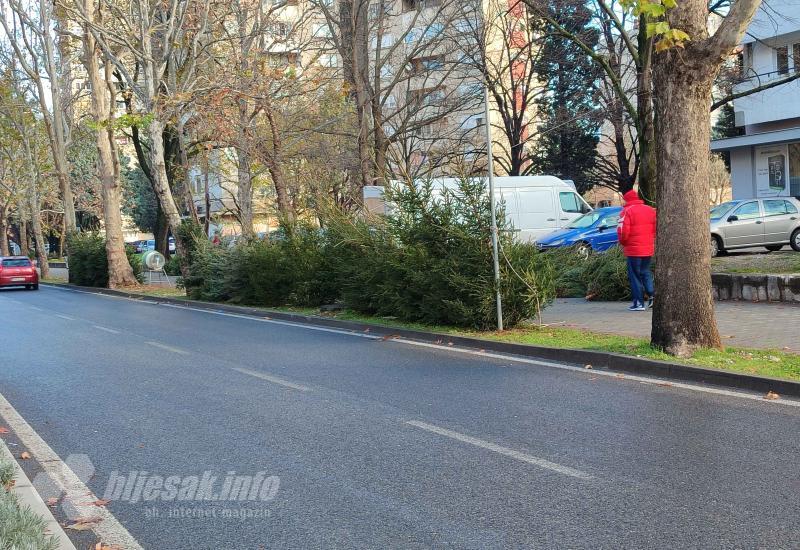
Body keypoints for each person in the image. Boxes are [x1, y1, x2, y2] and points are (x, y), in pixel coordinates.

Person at [617, 189, 656, 311]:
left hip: (633, 250)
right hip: (648, 248)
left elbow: (622, 232)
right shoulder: (650, 210)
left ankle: (638, 303)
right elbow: (655, 229)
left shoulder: (626, 212)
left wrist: (624, 243)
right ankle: (652, 296)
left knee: (635, 275)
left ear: (627, 199)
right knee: (645, 272)